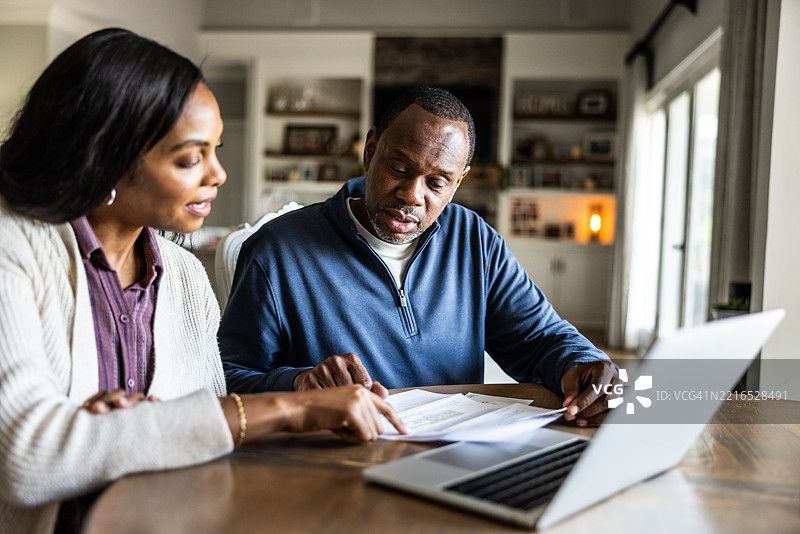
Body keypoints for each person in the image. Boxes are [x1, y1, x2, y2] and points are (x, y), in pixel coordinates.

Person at [0, 28, 405, 534]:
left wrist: (121, 430)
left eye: (214, 150)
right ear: (101, 155)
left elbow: (209, 437)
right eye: (190, 157)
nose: (218, 174)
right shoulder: (11, 250)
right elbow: (27, 460)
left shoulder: (186, 279)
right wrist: (292, 406)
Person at [218, 86, 620, 427]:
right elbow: (228, 378)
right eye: (398, 167)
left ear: (458, 182)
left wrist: (584, 365)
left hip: (457, 454)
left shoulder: (474, 240)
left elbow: (539, 339)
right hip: (342, 460)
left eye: (437, 182)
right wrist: (299, 383)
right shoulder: (277, 251)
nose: (413, 195)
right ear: (371, 150)